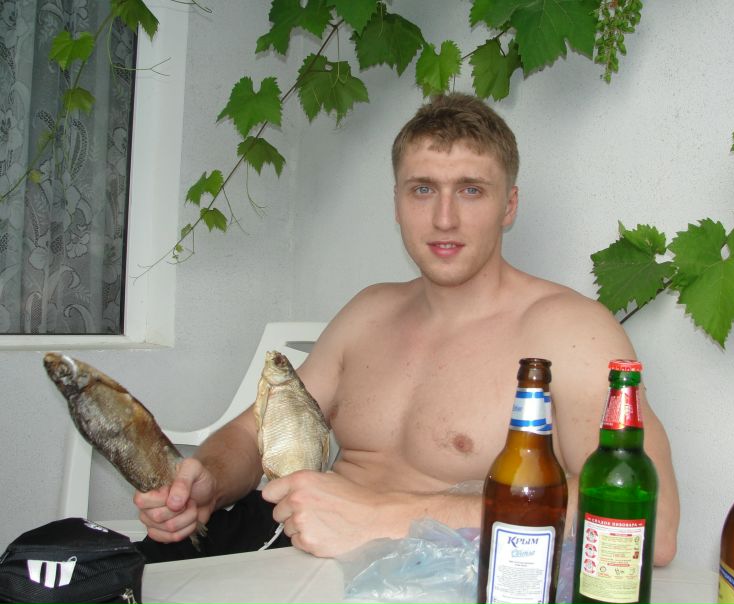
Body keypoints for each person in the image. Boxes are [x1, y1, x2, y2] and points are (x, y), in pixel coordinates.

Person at [134, 93, 680, 565]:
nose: (444, 219)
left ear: (509, 205)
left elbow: (651, 528)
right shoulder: (368, 312)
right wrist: (207, 481)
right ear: (396, 202)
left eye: (471, 190)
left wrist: (386, 516)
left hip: (437, 574)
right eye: (422, 189)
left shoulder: (572, 333)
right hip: (288, 552)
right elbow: (257, 431)